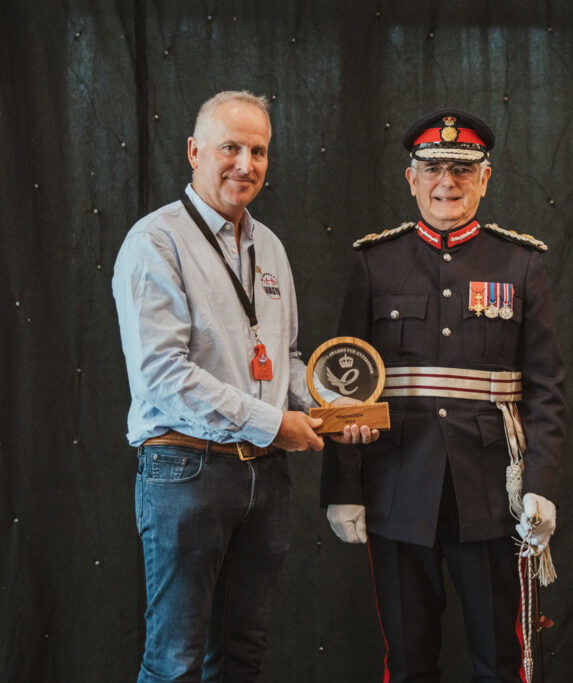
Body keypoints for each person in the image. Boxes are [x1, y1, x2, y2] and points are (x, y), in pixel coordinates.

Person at [112, 90, 375, 683]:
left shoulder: (270, 247)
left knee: (241, 658)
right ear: (194, 151)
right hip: (186, 470)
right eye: (229, 147)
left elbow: (284, 359)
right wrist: (275, 424)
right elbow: (162, 375)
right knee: (175, 661)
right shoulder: (156, 242)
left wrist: (334, 410)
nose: (245, 164)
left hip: (265, 476)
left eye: (258, 151)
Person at [321, 109, 568, 682]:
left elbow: (546, 390)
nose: (446, 182)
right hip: (396, 487)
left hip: (493, 494)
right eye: (432, 168)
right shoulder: (374, 263)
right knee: (408, 663)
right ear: (412, 179)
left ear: (485, 179)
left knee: (501, 662)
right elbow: (343, 383)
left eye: (462, 169)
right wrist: (343, 487)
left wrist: (541, 486)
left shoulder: (521, 264)